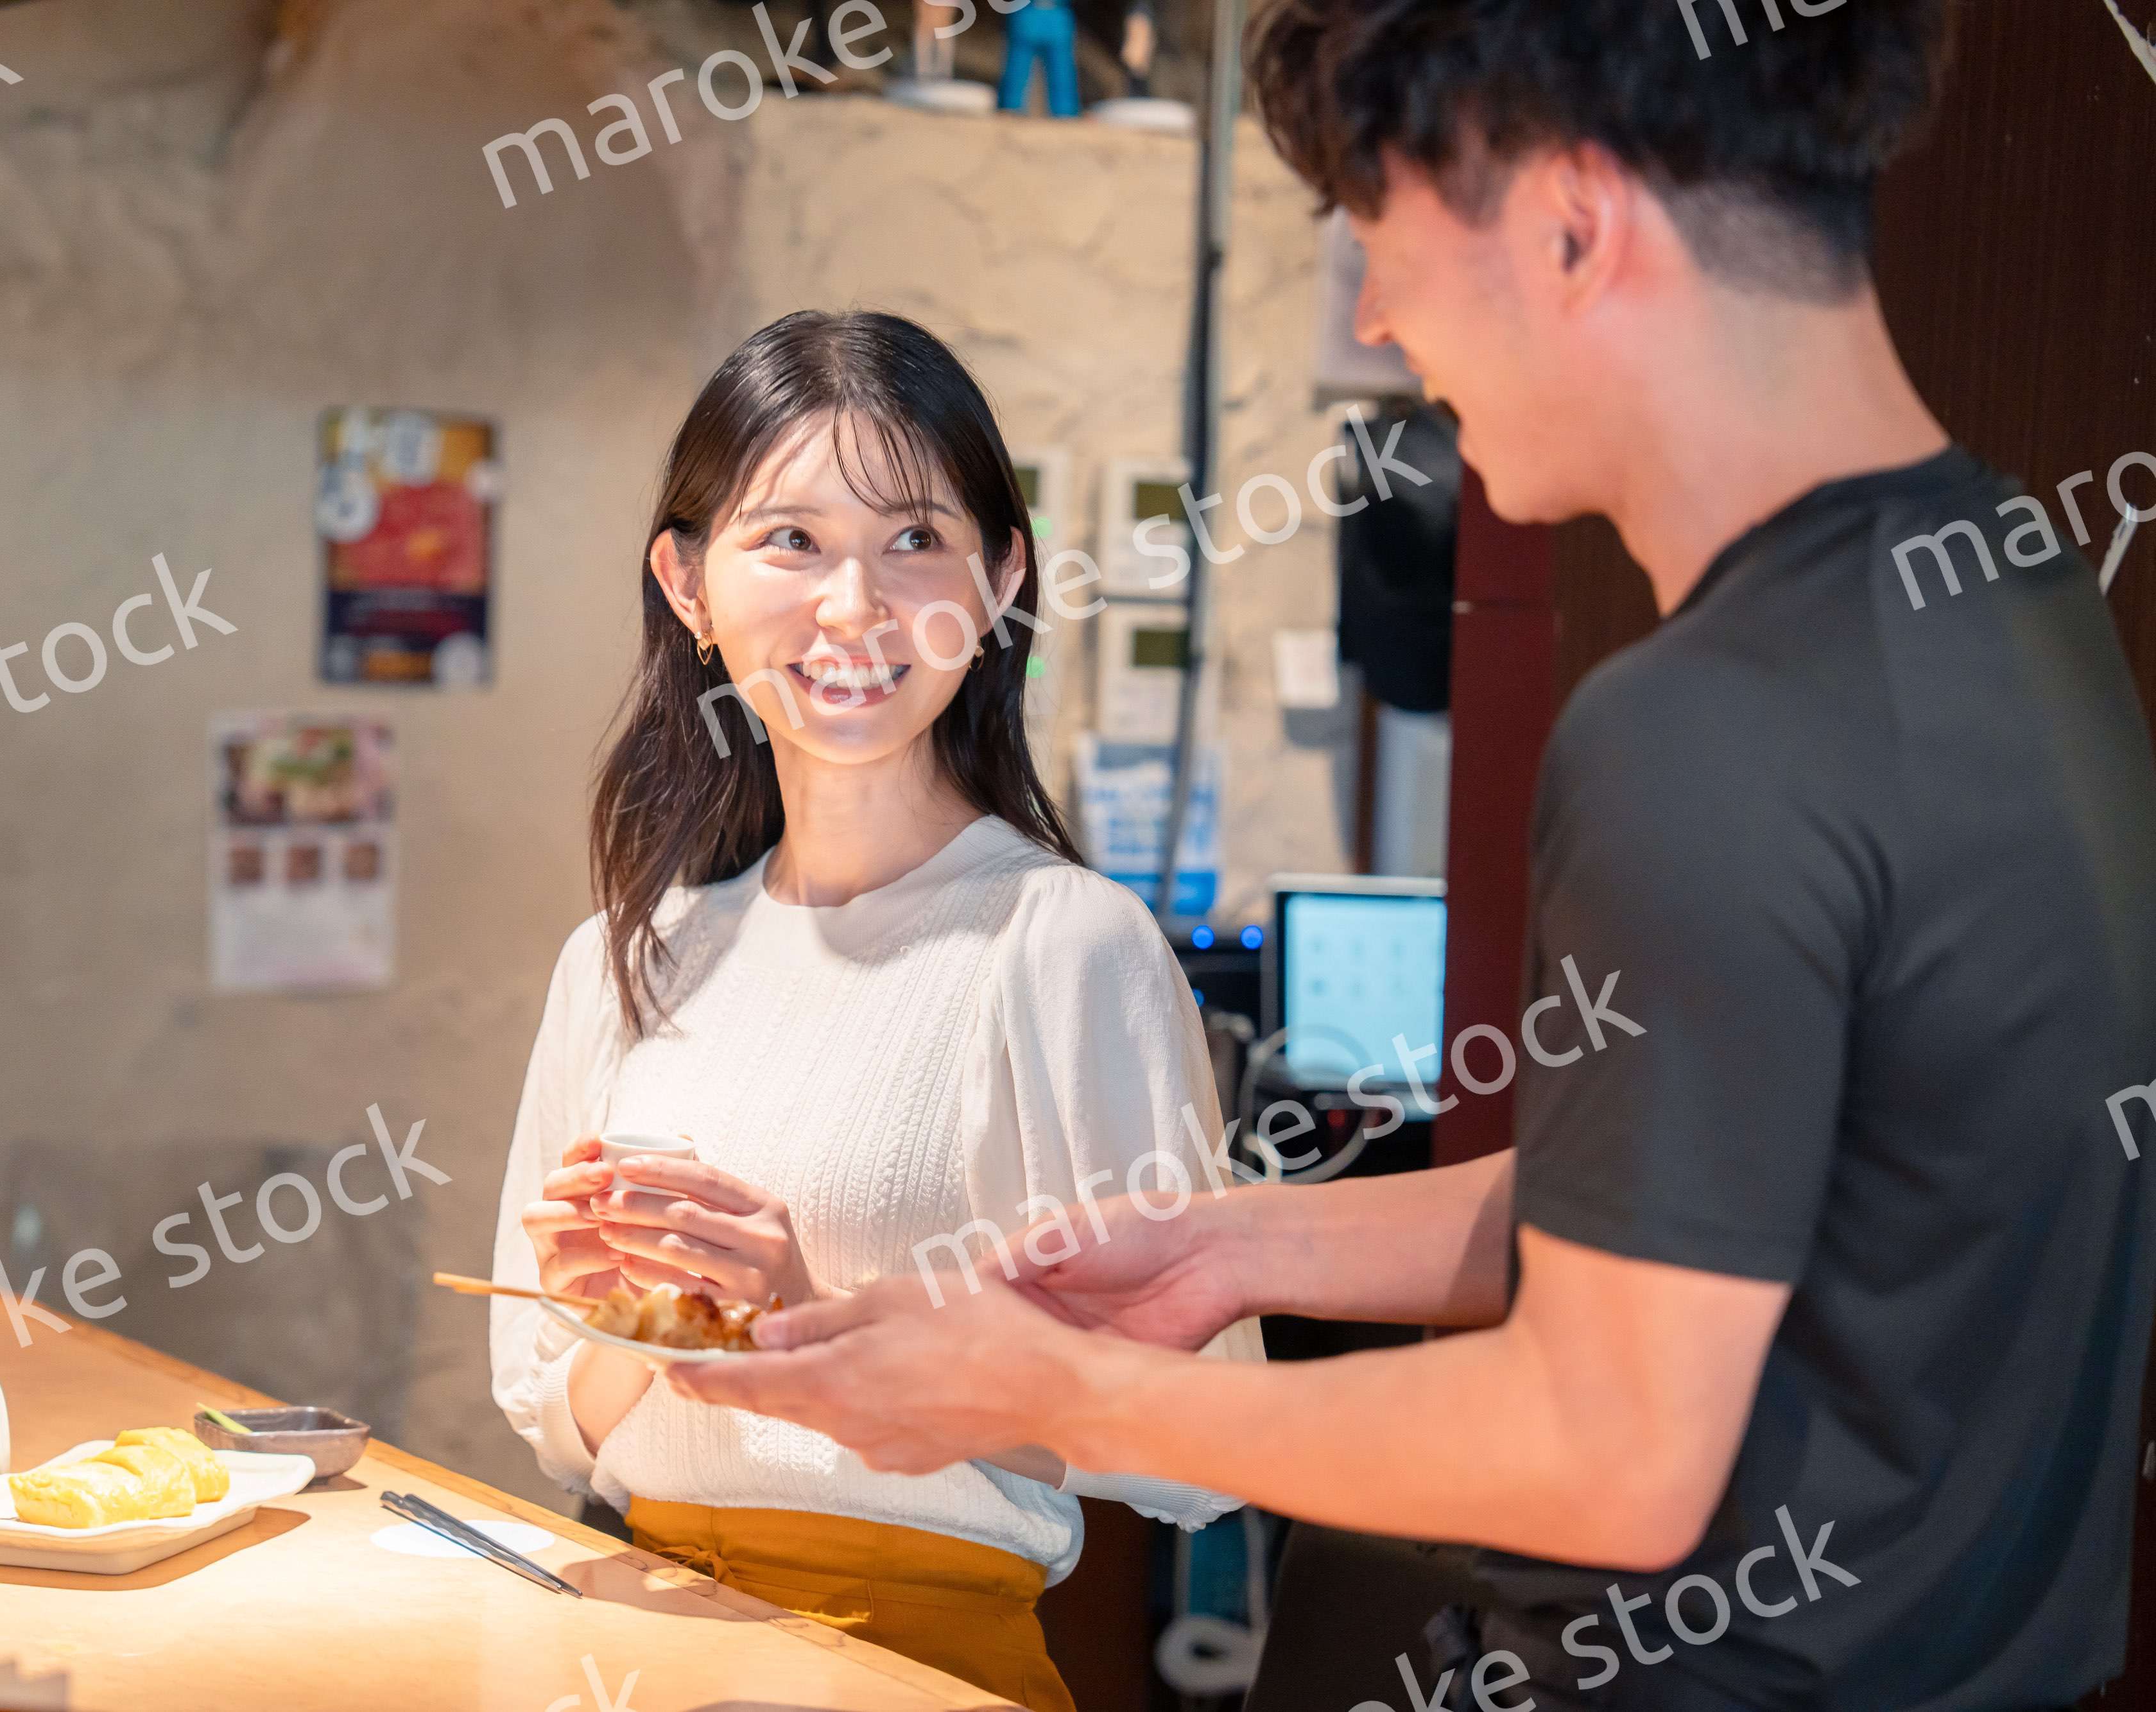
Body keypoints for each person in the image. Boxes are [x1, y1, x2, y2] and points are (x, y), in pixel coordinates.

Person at [671, 4, 2156, 1709]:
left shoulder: (1702, 726)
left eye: (1383, 245)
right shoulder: (2020, 587)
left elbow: (1609, 1447)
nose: (1379, 325)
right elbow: (1754, 1183)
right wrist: (1252, 1244)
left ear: (1572, 226)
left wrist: (1052, 1392)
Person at [489, 309, 1262, 1712]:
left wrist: (812, 1328)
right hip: (627, 1636)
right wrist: (636, 1318)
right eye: (787, 539)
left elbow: (1199, 1447)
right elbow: (559, 1425)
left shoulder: (1066, 944)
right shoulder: (623, 956)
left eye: (914, 538)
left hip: (917, 1664)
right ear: (686, 583)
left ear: (1001, 574)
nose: (852, 605)